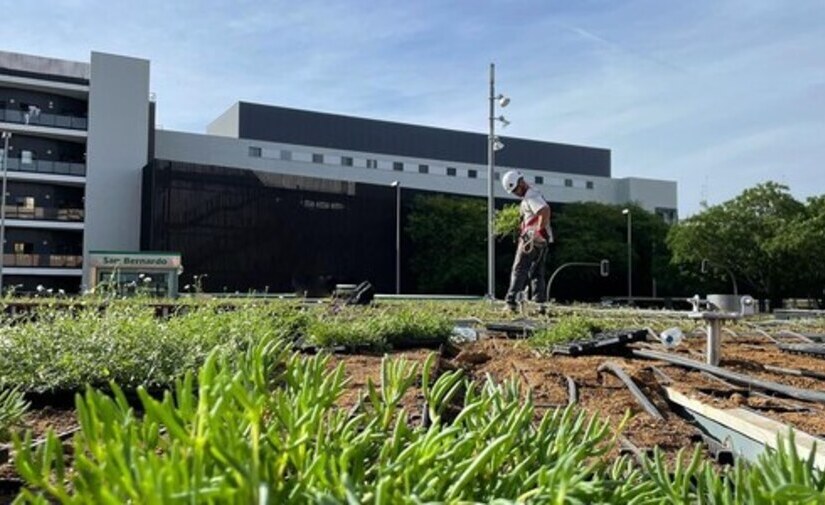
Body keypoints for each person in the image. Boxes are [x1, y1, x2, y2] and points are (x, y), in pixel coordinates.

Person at [501, 170, 552, 312]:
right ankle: (540, 304)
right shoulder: (532, 194)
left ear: (521, 183)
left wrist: (536, 232)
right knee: (536, 272)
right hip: (542, 240)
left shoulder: (531, 196)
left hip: (531, 238)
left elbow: (545, 210)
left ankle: (511, 302)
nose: (515, 193)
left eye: (515, 189)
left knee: (519, 269)